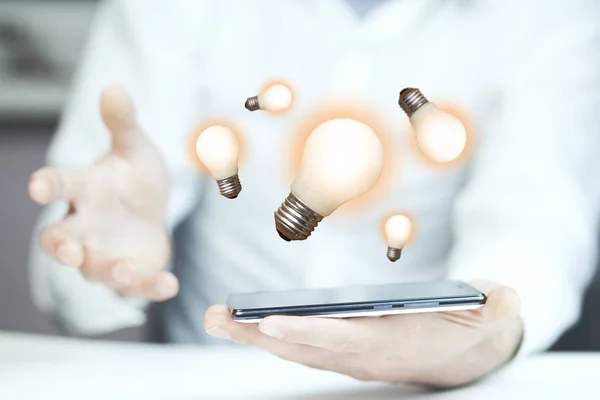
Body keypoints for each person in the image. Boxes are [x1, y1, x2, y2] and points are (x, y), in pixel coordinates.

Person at [27, 0, 600, 388]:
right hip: (212, 380)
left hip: (431, 387)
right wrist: (103, 258)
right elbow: (80, 250)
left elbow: (536, 226)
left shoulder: (549, 16)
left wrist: (482, 333)